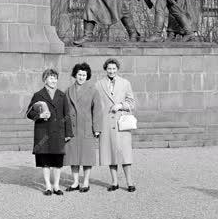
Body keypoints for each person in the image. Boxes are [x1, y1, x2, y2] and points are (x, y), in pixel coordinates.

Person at [26, 68, 73, 196]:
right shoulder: (38, 95)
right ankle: (48, 186)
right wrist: (39, 116)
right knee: (45, 161)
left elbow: (67, 114)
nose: (54, 80)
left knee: (57, 162)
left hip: (58, 132)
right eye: (51, 78)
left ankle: (56, 186)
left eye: (55, 78)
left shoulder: (62, 95)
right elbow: (29, 113)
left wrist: (68, 133)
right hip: (43, 132)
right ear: (45, 79)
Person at [96, 58, 136, 192]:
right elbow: (96, 106)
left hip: (121, 124)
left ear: (117, 69)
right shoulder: (99, 84)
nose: (111, 71)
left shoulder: (125, 83)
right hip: (106, 124)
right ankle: (114, 182)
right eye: (109, 69)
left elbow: (131, 102)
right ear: (105, 69)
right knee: (110, 153)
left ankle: (130, 182)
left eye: (114, 69)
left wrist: (121, 105)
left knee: (125, 154)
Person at [63, 62, 102, 192]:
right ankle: (75, 182)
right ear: (75, 75)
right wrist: (64, 127)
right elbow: (64, 110)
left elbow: (97, 110)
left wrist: (97, 128)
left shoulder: (93, 91)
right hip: (72, 128)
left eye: (84, 75)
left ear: (87, 76)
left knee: (86, 157)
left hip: (87, 128)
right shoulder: (68, 91)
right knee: (73, 157)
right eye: (79, 74)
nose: (81, 77)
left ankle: (85, 182)